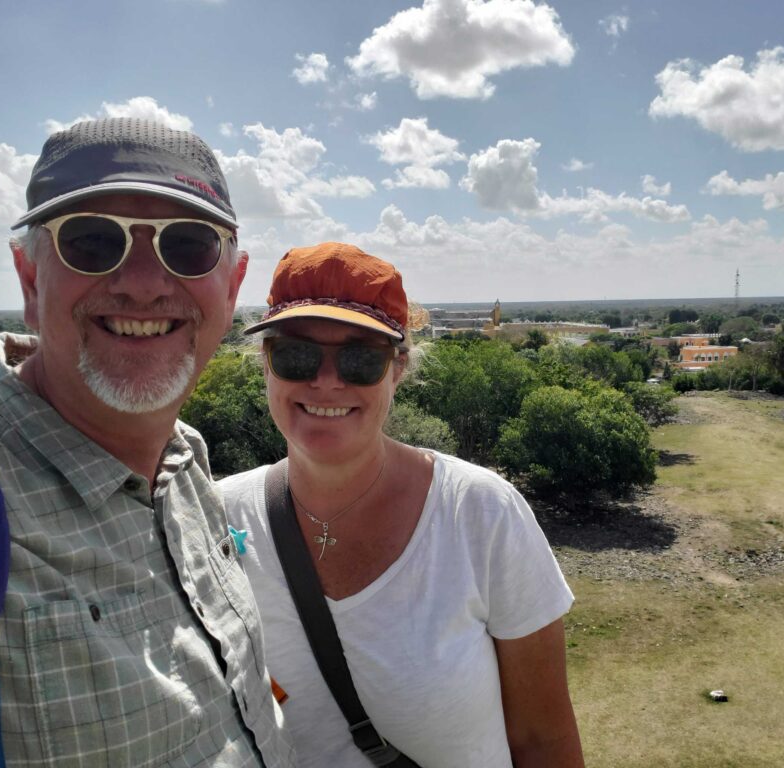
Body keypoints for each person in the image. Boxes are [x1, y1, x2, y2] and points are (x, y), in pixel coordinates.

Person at [0, 119, 294, 766]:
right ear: (31, 278)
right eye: (93, 243)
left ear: (232, 287)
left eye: (187, 247)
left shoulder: (184, 457)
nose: (145, 283)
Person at [219, 242, 585, 767]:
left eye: (361, 358)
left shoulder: (480, 513)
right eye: (296, 354)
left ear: (399, 369)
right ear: (266, 364)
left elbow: (544, 741)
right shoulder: (215, 519)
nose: (326, 380)